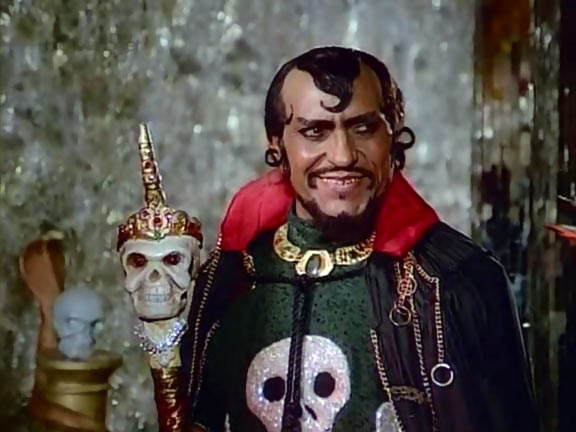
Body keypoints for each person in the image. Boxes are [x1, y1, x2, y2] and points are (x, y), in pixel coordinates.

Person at [181, 46, 537, 432]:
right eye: (314, 131)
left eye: (363, 128)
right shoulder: (230, 280)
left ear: (393, 137)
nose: (342, 155)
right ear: (276, 144)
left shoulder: (459, 282)